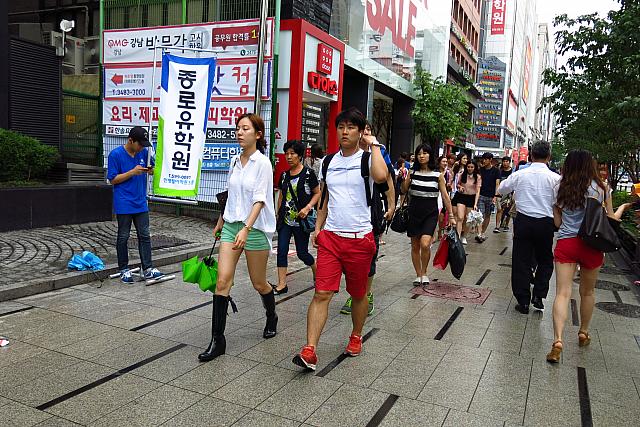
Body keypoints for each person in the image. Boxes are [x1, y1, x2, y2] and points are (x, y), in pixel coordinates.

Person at [292, 108, 387, 371]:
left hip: (359, 238)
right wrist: (318, 228)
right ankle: (310, 350)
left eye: (351, 127)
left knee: (358, 295)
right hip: (331, 238)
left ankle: (356, 335)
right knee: (322, 292)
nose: (345, 132)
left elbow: (381, 177)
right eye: (341, 127)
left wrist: (374, 145)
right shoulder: (328, 162)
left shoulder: (368, 159)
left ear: (360, 131)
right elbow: (325, 198)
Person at [199, 113, 278, 362]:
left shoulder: (263, 163)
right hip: (232, 226)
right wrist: (222, 221)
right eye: (237, 128)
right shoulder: (235, 160)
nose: (239, 132)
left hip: (254, 230)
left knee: (259, 283)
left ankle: (271, 315)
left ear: (258, 134)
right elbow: (232, 195)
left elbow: (260, 199)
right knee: (222, 281)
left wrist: (246, 228)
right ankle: (217, 340)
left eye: (245, 128)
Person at [547, 150, 631, 362]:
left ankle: (557, 340)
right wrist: (621, 209)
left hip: (567, 243)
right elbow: (611, 220)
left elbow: (557, 223)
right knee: (588, 292)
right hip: (593, 245)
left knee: (562, 293)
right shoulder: (602, 188)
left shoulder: (559, 187)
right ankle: (583, 332)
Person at [497, 141, 560, 314]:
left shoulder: (520, 174)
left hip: (523, 221)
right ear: (549, 157)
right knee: (545, 260)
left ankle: (523, 301)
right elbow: (561, 201)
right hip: (545, 223)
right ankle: (539, 295)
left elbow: (502, 189)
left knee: (521, 260)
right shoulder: (555, 179)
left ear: (531, 156)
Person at [340, 121, 395, 316]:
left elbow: (387, 179)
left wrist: (391, 204)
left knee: (369, 255)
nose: (365, 134)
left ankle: (366, 294)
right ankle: (356, 292)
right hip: (347, 217)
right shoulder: (344, 155)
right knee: (348, 260)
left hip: (372, 212)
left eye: (368, 130)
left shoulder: (378, 154)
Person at [107, 126, 164, 283]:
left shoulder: (143, 153)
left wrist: (150, 170)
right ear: (130, 140)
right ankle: (123, 268)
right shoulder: (116, 155)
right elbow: (112, 179)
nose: (142, 148)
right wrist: (132, 172)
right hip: (124, 202)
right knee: (123, 236)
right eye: (140, 144)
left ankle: (148, 268)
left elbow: (152, 168)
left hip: (140, 201)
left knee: (144, 235)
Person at [401, 144, 456, 285]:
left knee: (425, 244)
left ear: (430, 156)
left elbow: (445, 196)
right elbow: (403, 190)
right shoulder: (412, 173)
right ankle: (418, 274)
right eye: (419, 153)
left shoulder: (438, 176)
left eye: (425, 153)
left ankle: (424, 272)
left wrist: (451, 215)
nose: (421, 156)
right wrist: (406, 177)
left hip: (430, 213)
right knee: (415, 246)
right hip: (414, 212)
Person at [273, 140, 321, 295]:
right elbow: (281, 195)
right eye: (286, 153)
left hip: (301, 221)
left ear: (300, 156)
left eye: (292, 153)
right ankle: (282, 284)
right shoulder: (284, 175)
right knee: (281, 251)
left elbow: (317, 192)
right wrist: (277, 213)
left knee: (302, 253)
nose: (288, 156)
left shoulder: (308, 174)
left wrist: (308, 208)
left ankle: (315, 268)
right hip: (285, 220)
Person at [453, 161, 481, 245]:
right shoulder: (462, 174)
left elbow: (477, 191)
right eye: (468, 167)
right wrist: (460, 187)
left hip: (471, 198)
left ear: (475, 168)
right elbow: (457, 184)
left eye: (472, 167)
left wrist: (475, 204)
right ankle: (457, 236)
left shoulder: (478, 177)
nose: (470, 168)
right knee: (460, 217)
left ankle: (464, 236)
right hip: (461, 197)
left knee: (468, 219)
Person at [476, 153, 501, 243]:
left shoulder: (496, 171)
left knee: (487, 215)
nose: (484, 161)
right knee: (480, 214)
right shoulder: (480, 170)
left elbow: (497, 184)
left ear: (490, 160)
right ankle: (479, 233)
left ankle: (482, 232)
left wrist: (495, 196)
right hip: (481, 195)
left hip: (491, 196)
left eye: (486, 159)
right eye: (483, 159)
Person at [495, 156, 513, 232]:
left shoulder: (513, 172)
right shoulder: (499, 171)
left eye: (507, 161)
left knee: (508, 210)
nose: (505, 163)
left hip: (509, 193)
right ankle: (497, 226)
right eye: (504, 161)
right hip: (500, 193)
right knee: (499, 209)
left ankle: (506, 225)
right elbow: (497, 182)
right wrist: (496, 192)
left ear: (509, 162)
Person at [437, 155, 452, 238]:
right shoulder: (435, 172)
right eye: (443, 161)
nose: (445, 163)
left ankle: (439, 231)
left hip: (443, 196)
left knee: (441, 217)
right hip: (436, 195)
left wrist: (449, 186)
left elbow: (448, 186)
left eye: (446, 162)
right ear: (439, 162)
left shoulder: (447, 173)